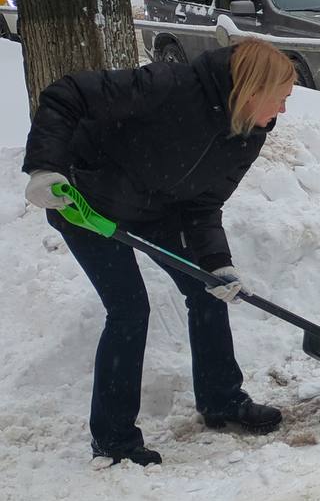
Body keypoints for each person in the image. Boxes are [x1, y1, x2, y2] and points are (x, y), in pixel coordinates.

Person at [22, 39, 294, 466]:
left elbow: (204, 204)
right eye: (279, 99)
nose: (281, 111)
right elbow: (68, 93)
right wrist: (44, 167)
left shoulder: (247, 135)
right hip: (84, 201)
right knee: (129, 308)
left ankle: (221, 400)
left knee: (207, 287)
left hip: (157, 208)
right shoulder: (169, 85)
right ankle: (113, 439)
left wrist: (217, 262)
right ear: (252, 89)